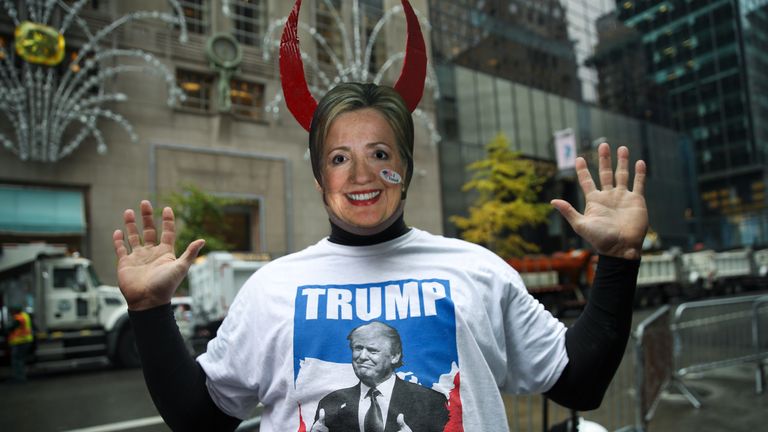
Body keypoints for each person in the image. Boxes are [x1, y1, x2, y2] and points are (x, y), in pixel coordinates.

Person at [113, 2, 647, 430]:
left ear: (407, 169)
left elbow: (579, 384)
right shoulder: (270, 287)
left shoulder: (477, 271)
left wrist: (619, 260)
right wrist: (149, 310)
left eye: (381, 154)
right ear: (321, 177)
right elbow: (198, 418)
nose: (361, 175)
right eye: (339, 158)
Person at [312, 322, 449, 432]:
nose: (362, 356)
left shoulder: (430, 402)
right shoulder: (331, 402)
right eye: (358, 348)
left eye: (372, 350)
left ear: (395, 356)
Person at [7, 306, 34, 383]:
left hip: (20, 341)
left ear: (15, 311)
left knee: (17, 360)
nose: (11, 313)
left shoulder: (19, 318)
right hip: (25, 341)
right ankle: (21, 377)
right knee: (20, 360)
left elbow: (11, 328)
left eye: (11, 311)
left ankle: (19, 378)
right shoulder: (25, 315)